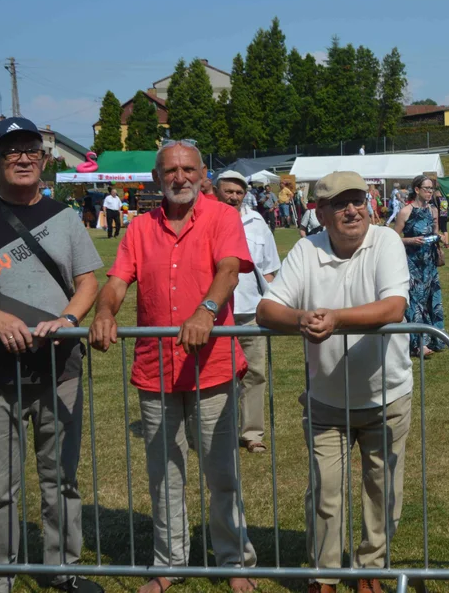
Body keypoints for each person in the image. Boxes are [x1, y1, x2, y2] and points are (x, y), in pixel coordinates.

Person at [89, 140, 258, 593]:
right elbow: (117, 282)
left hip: (213, 368)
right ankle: (169, 563)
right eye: (170, 170)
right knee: (165, 475)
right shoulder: (140, 228)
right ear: (156, 178)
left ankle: (233, 561)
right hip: (155, 371)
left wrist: (206, 310)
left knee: (221, 473)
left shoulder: (222, 216)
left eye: (188, 169)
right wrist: (104, 312)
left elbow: (228, 270)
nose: (180, 177)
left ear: (203, 173)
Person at [0, 117, 104, 593]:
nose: (22, 158)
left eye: (31, 151)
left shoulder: (65, 217)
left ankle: (63, 570)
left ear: (43, 159)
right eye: (10, 151)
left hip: (59, 369)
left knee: (60, 477)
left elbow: (88, 282)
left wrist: (68, 319)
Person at [255, 170, 412, 593]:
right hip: (326, 401)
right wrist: (300, 317)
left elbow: (394, 306)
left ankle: (369, 573)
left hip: (387, 395)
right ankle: (323, 576)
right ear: (320, 212)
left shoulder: (387, 241)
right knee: (325, 493)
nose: (352, 210)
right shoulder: (306, 250)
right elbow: (267, 311)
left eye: (358, 199)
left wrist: (336, 318)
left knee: (383, 493)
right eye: (340, 203)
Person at [216, 170, 281, 454]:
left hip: (250, 310)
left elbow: (269, 269)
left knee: (255, 374)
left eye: (238, 192)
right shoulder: (205, 219)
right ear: (217, 191)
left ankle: (252, 433)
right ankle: (217, 432)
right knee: (216, 376)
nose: (233, 197)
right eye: (228, 191)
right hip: (215, 313)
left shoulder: (257, 223)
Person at [392, 175, 448, 359]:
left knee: (432, 300)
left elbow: (434, 232)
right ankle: (417, 344)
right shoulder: (405, 212)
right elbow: (392, 239)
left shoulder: (433, 210)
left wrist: (440, 239)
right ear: (417, 190)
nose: (430, 192)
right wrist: (410, 240)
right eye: (427, 188)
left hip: (429, 262)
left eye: (432, 189)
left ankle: (435, 338)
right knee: (415, 303)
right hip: (412, 263)